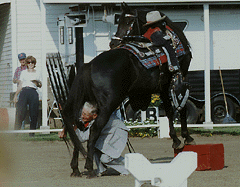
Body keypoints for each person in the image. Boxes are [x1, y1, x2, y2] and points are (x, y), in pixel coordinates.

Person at [59, 102, 129, 177]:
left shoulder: (97, 122)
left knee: (105, 158)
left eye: (85, 115)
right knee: (95, 146)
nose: (82, 116)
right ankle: (101, 170)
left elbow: (83, 138)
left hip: (117, 133)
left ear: (94, 115)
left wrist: (74, 129)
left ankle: (128, 167)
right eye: (82, 113)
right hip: (107, 133)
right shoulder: (92, 116)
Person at [13, 56, 42, 137]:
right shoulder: (23, 72)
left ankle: (32, 133)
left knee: (34, 113)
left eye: (32, 62)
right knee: (20, 112)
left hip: (33, 91)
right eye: (28, 62)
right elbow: (20, 85)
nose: (30, 64)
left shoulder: (38, 72)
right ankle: (15, 133)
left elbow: (40, 85)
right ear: (26, 64)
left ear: (34, 63)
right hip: (24, 92)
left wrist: (37, 83)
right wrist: (16, 95)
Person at [13, 53, 27, 129]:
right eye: (21, 59)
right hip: (19, 91)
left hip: (26, 90)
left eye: (23, 59)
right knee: (20, 109)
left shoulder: (28, 68)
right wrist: (17, 81)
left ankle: (33, 129)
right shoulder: (17, 69)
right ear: (19, 60)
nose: (22, 61)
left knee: (29, 109)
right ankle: (21, 127)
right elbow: (14, 80)